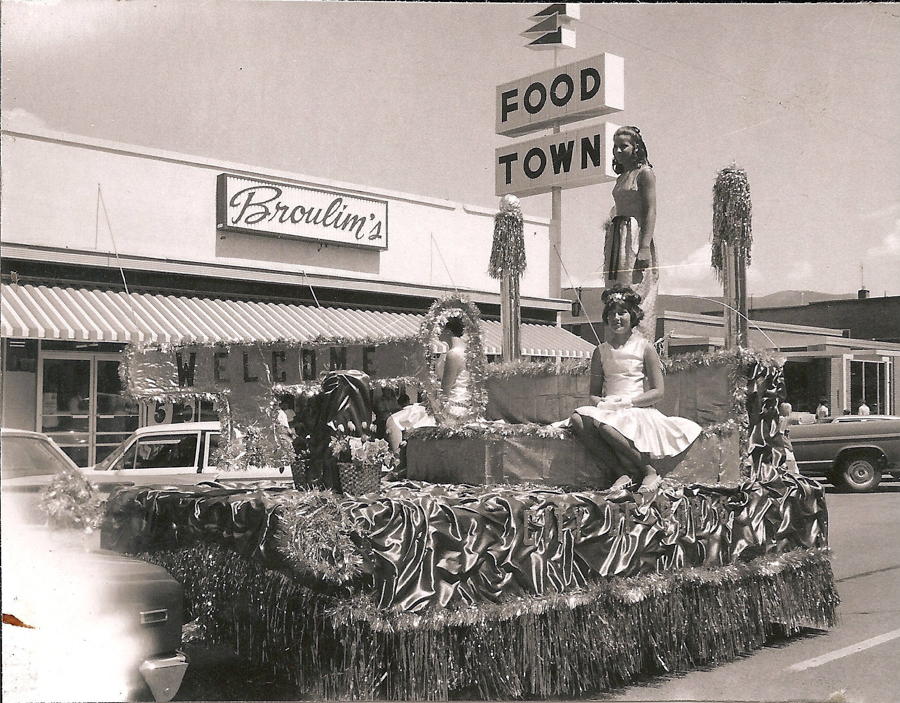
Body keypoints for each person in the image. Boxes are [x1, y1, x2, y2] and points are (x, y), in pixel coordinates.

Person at [569, 285, 701, 491]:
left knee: (606, 426)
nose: (616, 318)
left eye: (622, 312)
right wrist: (603, 404)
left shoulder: (645, 347)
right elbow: (594, 394)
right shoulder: (600, 351)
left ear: (632, 315)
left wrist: (628, 402)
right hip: (611, 407)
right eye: (611, 314)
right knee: (578, 419)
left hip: (635, 408)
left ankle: (648, 470)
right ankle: (622, 472)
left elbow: (658, 391)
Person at [604, 126, 658, 341]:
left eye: (623, 146)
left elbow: (651, 210)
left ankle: (639, 344)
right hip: (618, 237)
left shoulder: (644, 173)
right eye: (615, 147)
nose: (618, 151)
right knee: (616, 291)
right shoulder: (621, 177)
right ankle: (616, 343)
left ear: (636, 147)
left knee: (635, 290)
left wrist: (644, 247)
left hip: (635, 237)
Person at [386, 316, 471, 451]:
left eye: (440, 328)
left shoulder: (453, 354)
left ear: (448, 331)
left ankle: (398, 461)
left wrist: (430, 400)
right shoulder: (465, 352)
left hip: (452, 408)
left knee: (393, 421)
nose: (437, 332)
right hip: (461, 406)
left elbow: (445, 392)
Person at [778, 402, 799, 474]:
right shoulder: (783, 419)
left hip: (781, 448)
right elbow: (781, 434)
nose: (791, 411)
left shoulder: (778, 418)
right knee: (793, 470)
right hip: (785, 447)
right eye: (790, 409)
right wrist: (788, 446)